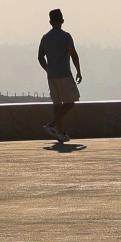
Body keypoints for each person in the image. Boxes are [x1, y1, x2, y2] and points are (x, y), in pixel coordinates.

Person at [37, 8, 82, 144]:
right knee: (70, 102)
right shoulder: (66, 36)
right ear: (62, 21)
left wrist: (48, 69)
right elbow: (73, 54)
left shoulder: (45, 38)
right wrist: (78, 71)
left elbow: (40, 57)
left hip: (52, 76)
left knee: (57, 104)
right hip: (64, 74)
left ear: (50, 22)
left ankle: (60, 133)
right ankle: (52, 125)